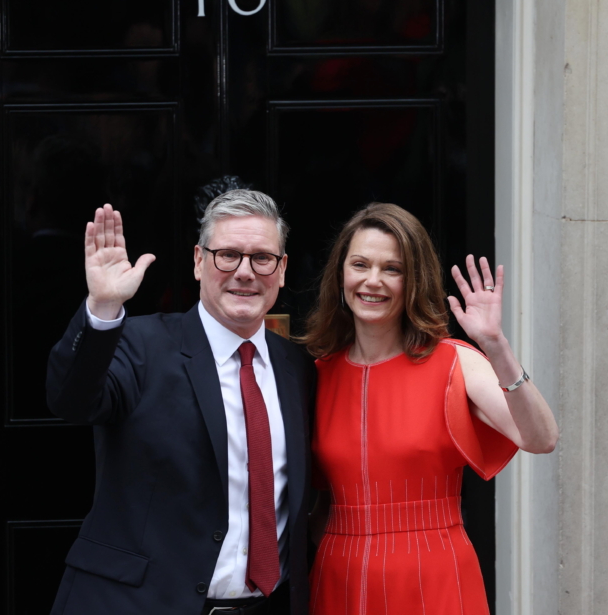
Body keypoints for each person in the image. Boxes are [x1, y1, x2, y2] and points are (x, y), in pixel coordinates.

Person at [46, 190, 316, 615]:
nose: (245, 272)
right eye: (227, 255)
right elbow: (72, 401)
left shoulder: (298, 368)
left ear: (281, 270)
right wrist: (102, 307)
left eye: (262, 258)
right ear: (198, 261)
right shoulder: (140, 344)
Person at [302, 203, 558, 615]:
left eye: (392, 269)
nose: (373, 281)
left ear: (414, 279)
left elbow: (542, 438)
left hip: (432, 574)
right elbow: (317, 505)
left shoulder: (453, 361)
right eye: (360, 264)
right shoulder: (317, 374)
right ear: (340, 274)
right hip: (339, 579)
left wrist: (497, 347)